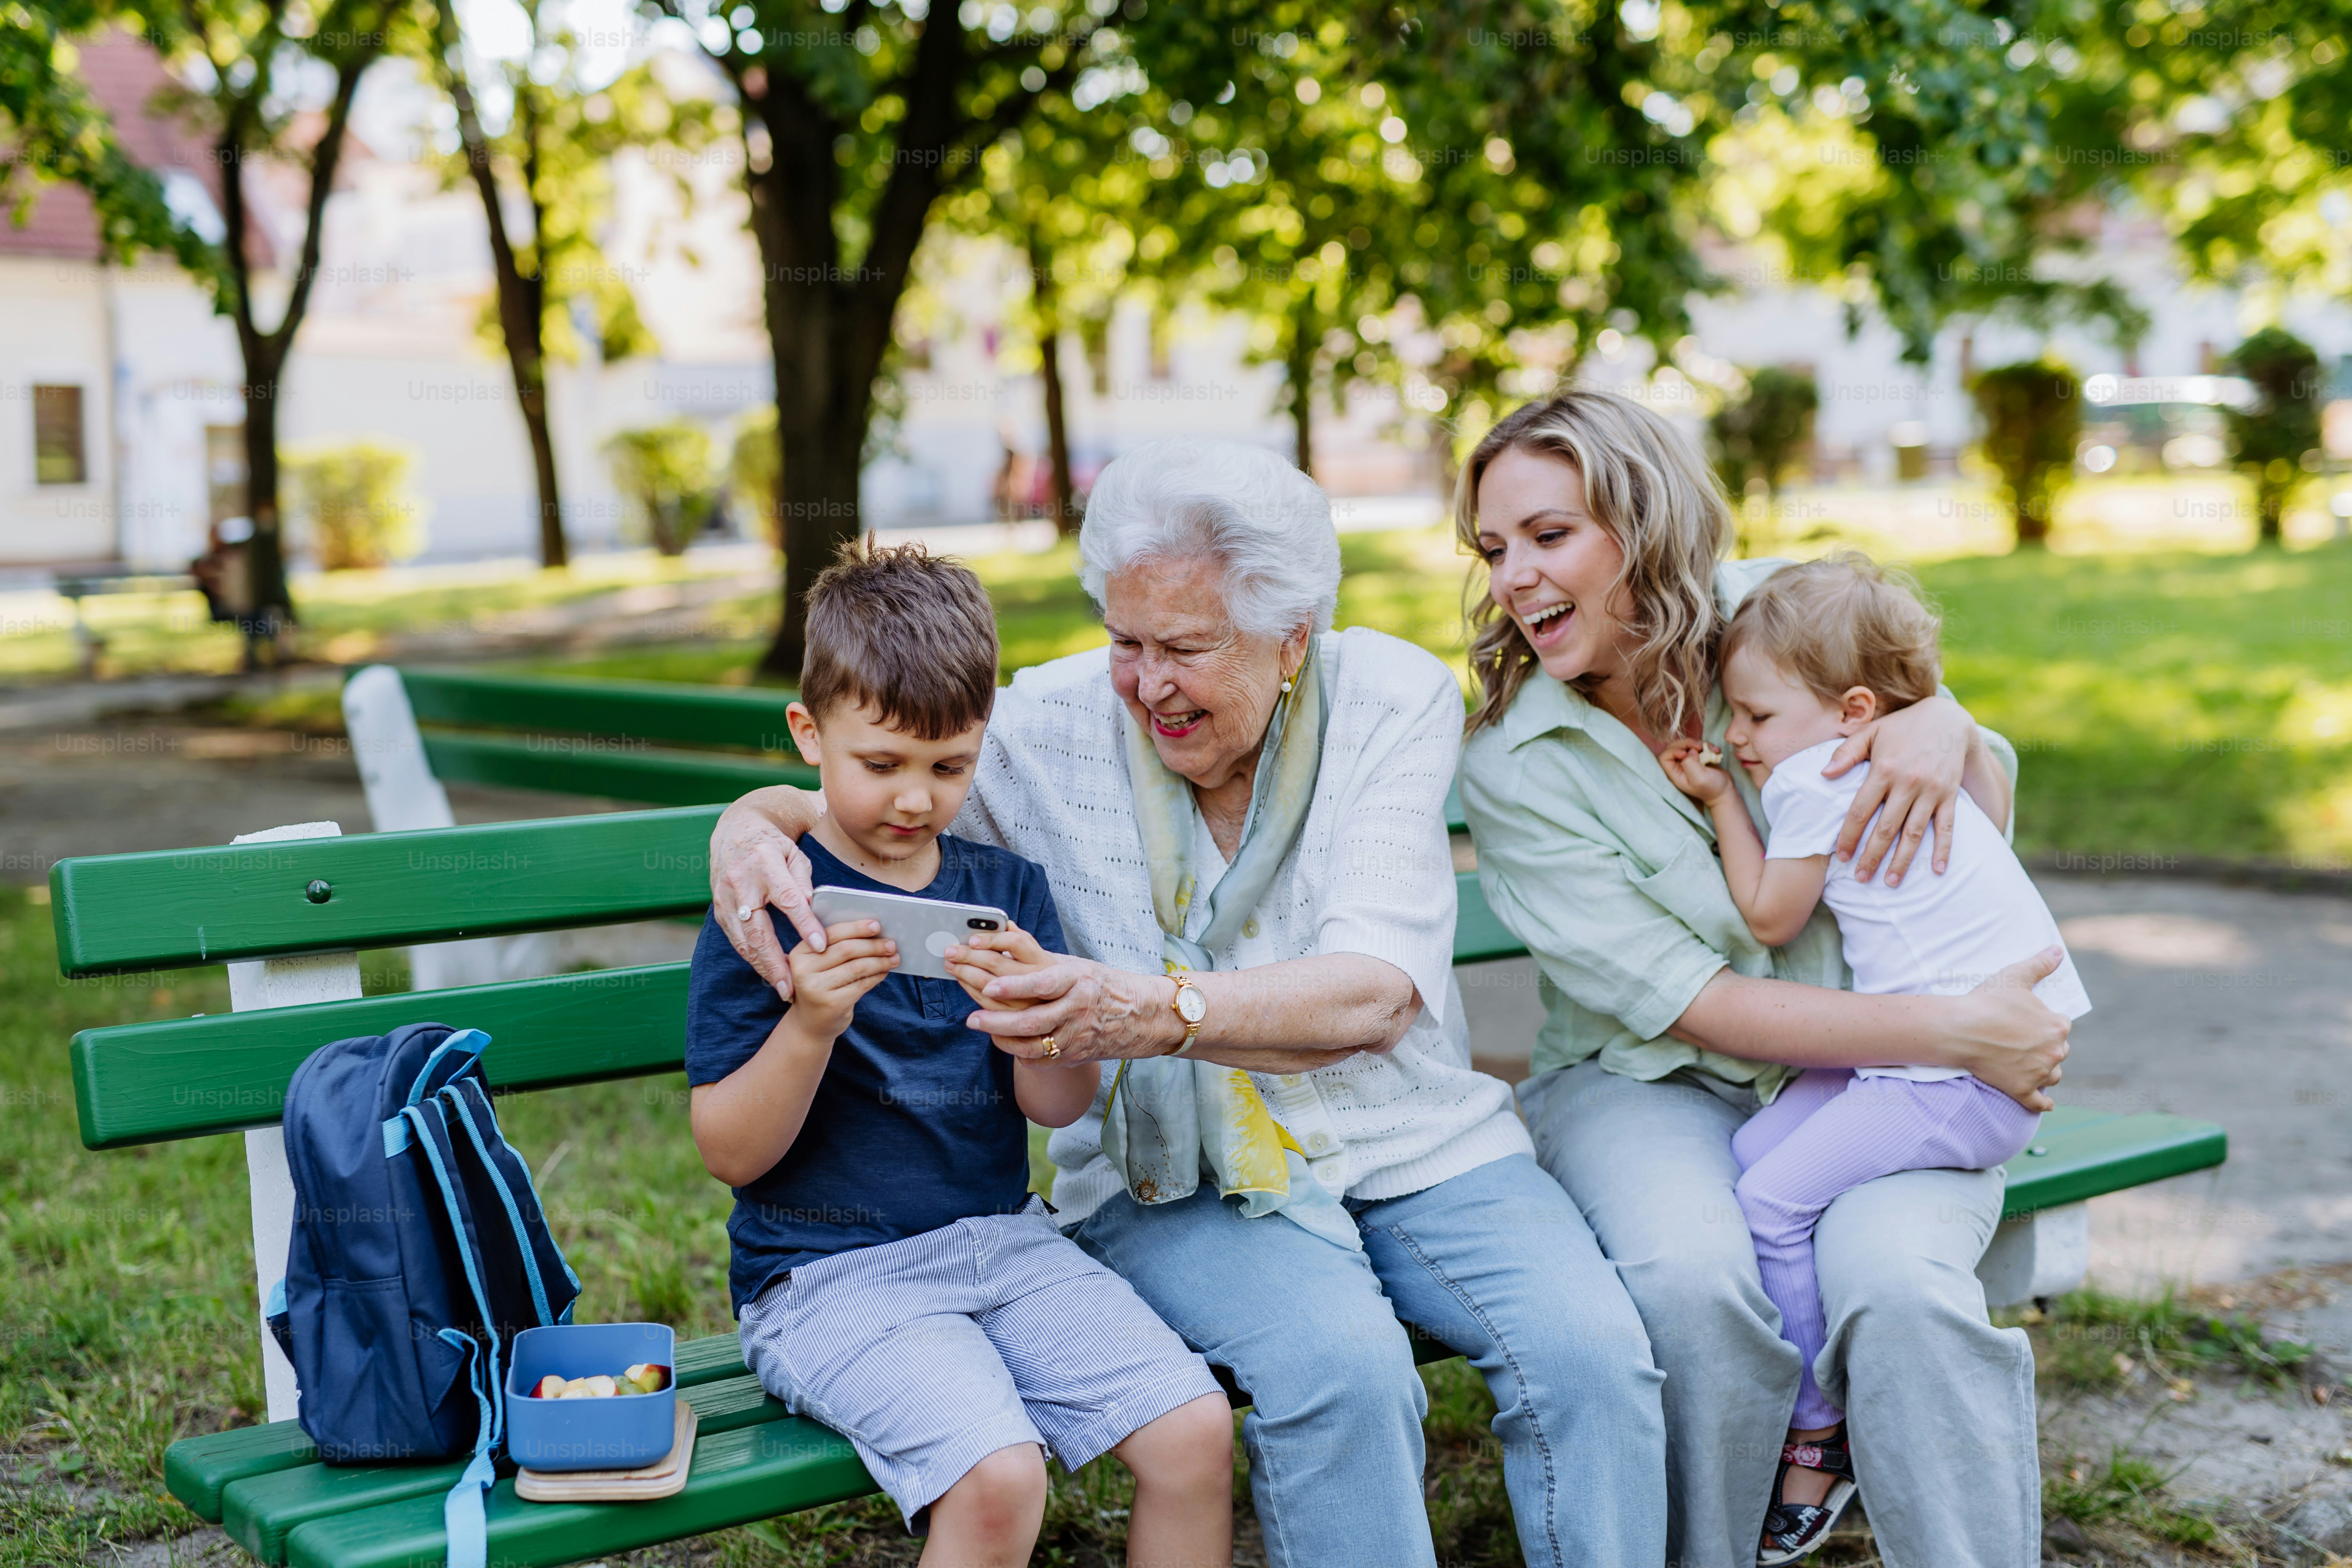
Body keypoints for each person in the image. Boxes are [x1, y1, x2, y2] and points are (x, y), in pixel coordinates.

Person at [705, 439, 1669, 1568]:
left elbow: (1373, 997)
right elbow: (880, 777)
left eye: (1187, 648)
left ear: (1292, 635)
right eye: (1126, 643)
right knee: (1344, 1373)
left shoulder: (1390, 702)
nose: (1149, 683)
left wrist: (1151, 1009)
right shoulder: (1051, 731)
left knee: (1594, 1354)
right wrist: (752, 819)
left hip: (1414, 1141)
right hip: (1177, 1177)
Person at [1452, 390, 2074, 1568]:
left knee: (1897, 1285)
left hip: (1886, 1078)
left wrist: (1939, 720)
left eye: (1549, 536)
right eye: (1494, 549)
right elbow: (1702, 1005)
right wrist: (1958, 1032)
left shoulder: (1786, 620)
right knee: (1693, 1281)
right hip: (1655, 1083)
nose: (1515, 579)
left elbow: (1973, 816)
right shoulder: (1518, 761)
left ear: (1640, 527)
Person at [685, 541, 1233, 1568]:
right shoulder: (773, 905)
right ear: (809, 734)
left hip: (1003, 1245)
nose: (914, 800)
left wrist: (1043, 1023)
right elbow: (729, 1150)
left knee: (1194, 1430)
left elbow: (1058, 1107)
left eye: (950, 767)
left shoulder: (1004, 893)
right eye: (881, 764)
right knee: (997, 1475)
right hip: (825, 1277)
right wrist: (809, 1024)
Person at [1654, 552, 2093, 1564]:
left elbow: (1770, 914)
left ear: (1852, 709)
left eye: (1755, 715)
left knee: (1767, 1200)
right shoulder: (1894, 751)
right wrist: (1933, 713)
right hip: (1970, 1055)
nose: (1738, 735)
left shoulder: (1814, 777)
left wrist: (1724, 798)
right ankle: (1818, 1366)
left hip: (1956, 1081)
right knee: (1762, 1144)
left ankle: (1816, 1418)